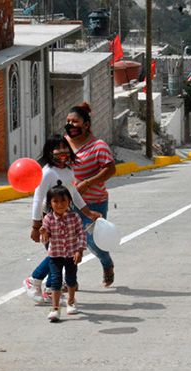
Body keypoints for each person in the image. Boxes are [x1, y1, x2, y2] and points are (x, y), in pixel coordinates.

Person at [24, 135, 100, 304]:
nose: (62, 153)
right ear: (50, 152)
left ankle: (51, 288)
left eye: (65, 148)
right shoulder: (47, 173)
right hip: (49, 219)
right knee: (56, 254)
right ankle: (34, 280)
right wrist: (36, 226)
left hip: (65, 217)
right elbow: (38, 199)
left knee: (61, 252)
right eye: (57, 149)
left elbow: (73, 194)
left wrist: (88, 213)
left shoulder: (67, 171)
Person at [64, 102, 117, 287]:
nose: (71, 125)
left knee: (92, 240)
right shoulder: (63, 144)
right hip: (68, 204)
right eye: (68, 121)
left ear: (86, 124)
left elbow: (110, 169)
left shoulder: (98, 146)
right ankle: (70, 281)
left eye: (75, 121)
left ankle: (106, 263)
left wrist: (88, 183)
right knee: (68, 243)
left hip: (94, 202)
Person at [40, 182, 87, 322]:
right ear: (50, 203)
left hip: (72, 254)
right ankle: (55, 309)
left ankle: (71, 301)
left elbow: (82, 234)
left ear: (69, 201)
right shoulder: (48, 219)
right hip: (55, 255)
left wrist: (80, 250)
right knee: (55, 280)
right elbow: (45, 239)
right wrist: (44, 233)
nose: (59, 204)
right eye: (55, 201)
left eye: (63, 201)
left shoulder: (75, 217)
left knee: (71, 279)